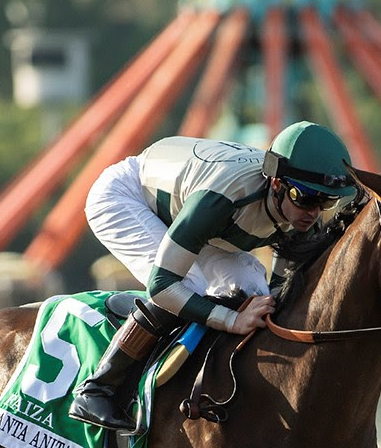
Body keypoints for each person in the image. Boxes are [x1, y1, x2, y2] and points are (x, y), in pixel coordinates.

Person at [68, 121, 358, 432]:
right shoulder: (225, 197)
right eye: (305, 197)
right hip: (126, 197)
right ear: (276, 184)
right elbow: (163, 285)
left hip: (191, 215)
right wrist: (232, 321)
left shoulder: (299, 214)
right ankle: (98, 389)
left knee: (253, 289)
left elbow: (277, 294)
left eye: (327, 201)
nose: (314, 212)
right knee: (188, 285)